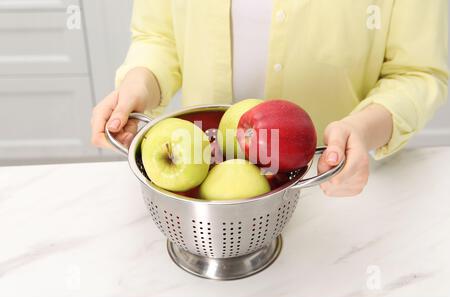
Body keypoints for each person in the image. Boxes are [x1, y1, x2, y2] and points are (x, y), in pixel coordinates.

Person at [90, 0, 448, 197]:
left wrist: (361, 130)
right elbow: (159, 36)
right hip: (199, 184)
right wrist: (138, 86)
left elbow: (417, 72)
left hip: (329, 185)